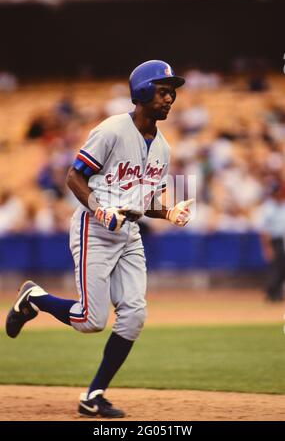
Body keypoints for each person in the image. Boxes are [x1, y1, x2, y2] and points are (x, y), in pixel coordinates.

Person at [6, 60, 193, 418]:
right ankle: (34, 298)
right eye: (163, 90)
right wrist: (99, 208)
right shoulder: (111, 130)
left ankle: (93, 395)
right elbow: (74, 178)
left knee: (134, 316)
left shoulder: (164, 148)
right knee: (91, 321)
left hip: (129, 234)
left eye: (172, 92)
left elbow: (145, 200)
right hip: (95, 229)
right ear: (141, 92)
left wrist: (168, 211)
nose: (170, 98)